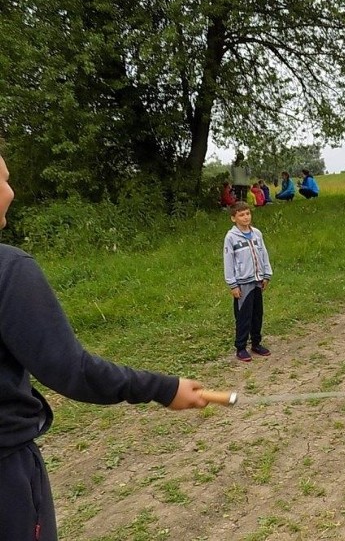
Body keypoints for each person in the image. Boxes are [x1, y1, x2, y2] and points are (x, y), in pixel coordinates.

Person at [0, 151, 209, 540]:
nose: (11, 192)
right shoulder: (8, 270)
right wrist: (164, 389)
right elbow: (71, 370)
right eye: (4, 180)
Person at [223, 201, 273, 362]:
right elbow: (228, 261)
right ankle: (241, 347)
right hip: (243, 283)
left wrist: (266, 275)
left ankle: (256, 343)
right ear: (233, 218)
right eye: (241, 215)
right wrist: (232, 284)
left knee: (257, 314)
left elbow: (264, 254)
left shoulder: (257, 233)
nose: (246, 217)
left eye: (248, 214)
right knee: (244, 315)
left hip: (258, 280)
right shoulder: (231, 237)